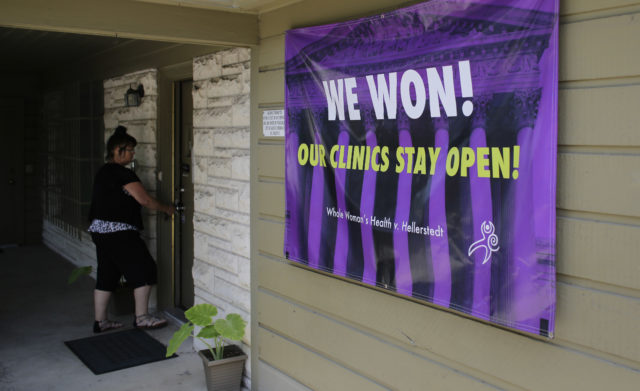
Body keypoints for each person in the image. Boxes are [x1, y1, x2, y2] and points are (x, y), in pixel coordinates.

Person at [88, 125, 175, 333]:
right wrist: (167, 208)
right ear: (118, 150)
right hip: (119, 232)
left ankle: (101, 321)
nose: (133, 153)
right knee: (145, 269)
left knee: (107, 274)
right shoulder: (122, 174)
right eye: (130, 150)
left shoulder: (103, 172)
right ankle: (142, 317)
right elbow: (144, 199)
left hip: (99, 231)